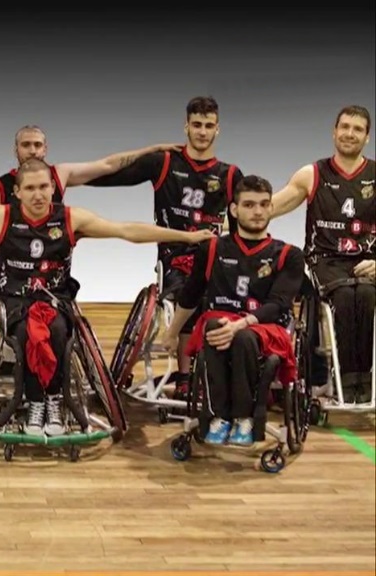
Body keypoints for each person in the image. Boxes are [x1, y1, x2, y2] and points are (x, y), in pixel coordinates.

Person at [0, 159, 215, 435]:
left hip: (55, 299)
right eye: (30, 188)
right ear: (16, 193)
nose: (38, 194)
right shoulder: (1, 217)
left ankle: (52, 399)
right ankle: (34, 402)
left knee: (57, 332)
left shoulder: (70, 218)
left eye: (44, 187)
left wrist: (186, 237)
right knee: (25, 335)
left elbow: (126, 230)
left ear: (53, 188)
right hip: (14, 301)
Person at [82, 96, 246, 400]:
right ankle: (186, 376)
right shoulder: (165, 162)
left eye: (208, 126)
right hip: (176, 259)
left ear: (217, 130)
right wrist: (66, 181)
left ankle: (236, 370)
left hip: (215, 257)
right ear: (186, 126)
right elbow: (110, 174)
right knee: (195, 289)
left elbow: (242, 230)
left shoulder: (231, 175)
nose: (202, 131)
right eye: (196, 124)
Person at [162, 175, 305, 446]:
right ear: (234, 209)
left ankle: (244, 417)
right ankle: (219, 417)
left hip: (266, 329)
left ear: (272, 208)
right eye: (249, 205)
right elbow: (190, 295)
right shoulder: (212, 248)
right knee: (216, 326)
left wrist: (242, 323)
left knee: (242, 336)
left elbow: (279, 304)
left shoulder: (289, 254)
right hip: (219, 324)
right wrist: (171, 332)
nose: (258, 211)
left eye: (264, 204)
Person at [270, 105, 375, 403]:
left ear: (367, 137)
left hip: (368, 262)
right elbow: (271, 208)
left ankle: (362, 382)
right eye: (345, 127)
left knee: (366, 296)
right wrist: (227, 221)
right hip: (324, 260)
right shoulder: (312, 174)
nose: (349, 134)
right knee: (342, 297)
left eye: (357, 129)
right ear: (334, 131)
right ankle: (339, 379)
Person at [0, 124, 181, 207]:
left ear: (45, 150)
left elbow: (107, 165)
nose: (32, 150)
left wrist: (151, 149)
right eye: (26, 145)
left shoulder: (60, 174)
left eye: (37, 145)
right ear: (16, 150)